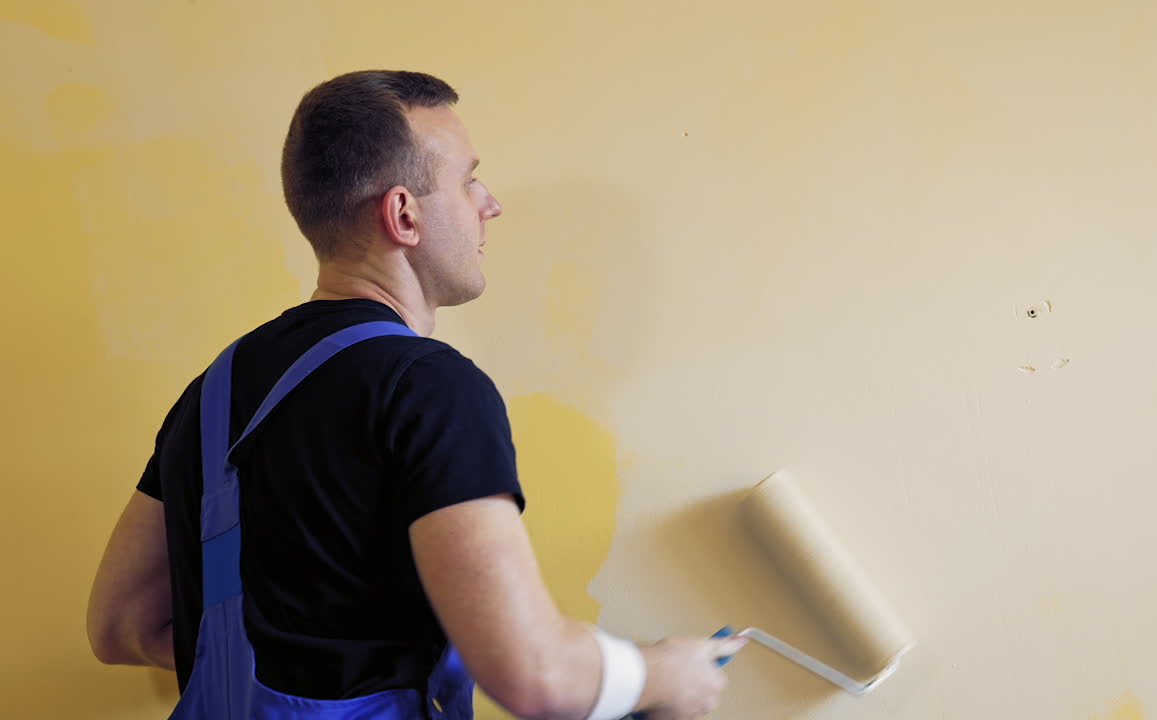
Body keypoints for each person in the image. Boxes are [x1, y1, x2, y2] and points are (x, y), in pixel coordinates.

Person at [86, 70, 745, 720]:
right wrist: (666, 674)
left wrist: (272, 665)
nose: (490, 203)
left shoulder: (215, 391)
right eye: (468, 180)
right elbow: (537, 676)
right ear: (404, 215)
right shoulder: (429, 387)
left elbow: (119, 627)